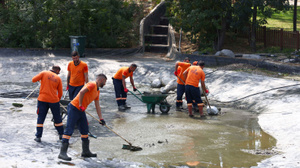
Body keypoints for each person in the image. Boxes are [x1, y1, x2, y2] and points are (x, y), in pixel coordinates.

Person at [58, 74, 107, 161]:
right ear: (101, 80)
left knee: (85, 130)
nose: (105, 84)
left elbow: (97, 105)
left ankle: (85, 152)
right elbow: (81, 92)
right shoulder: (92, 84)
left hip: (81, 110)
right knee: (69, 129)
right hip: (74, 107)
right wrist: (80, 105)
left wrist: (101, 118)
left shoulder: (97, 91)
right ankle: (62, 153)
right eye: (105, 82)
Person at [32, 65, 63, 142]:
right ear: (57, 71)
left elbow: (33, 80)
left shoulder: (44, 73)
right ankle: (61, 135)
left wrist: (41, 80)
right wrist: (57, 100)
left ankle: (38, 136)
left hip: (42, 99)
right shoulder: (58, 78)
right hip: (54, 101)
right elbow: (60, 93)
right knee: (57, 118)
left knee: (40, 118)